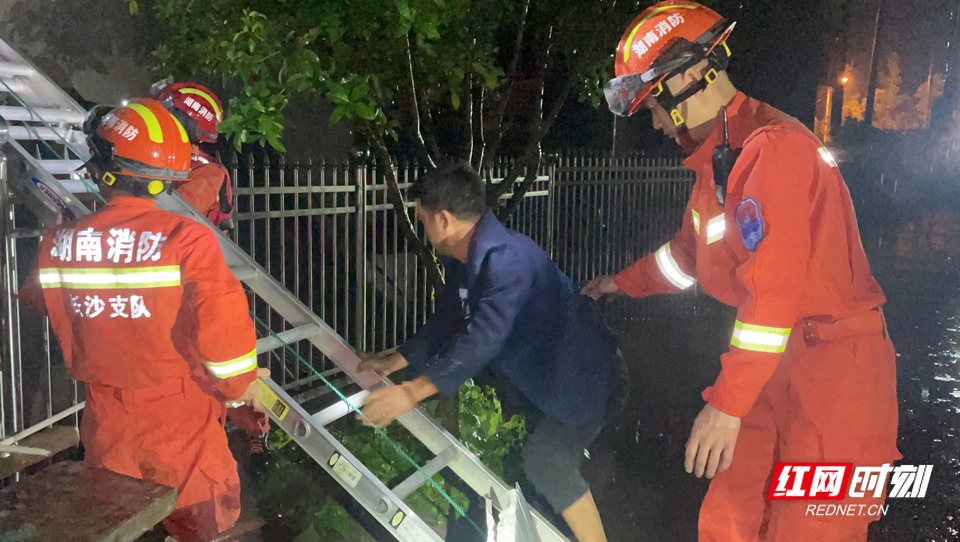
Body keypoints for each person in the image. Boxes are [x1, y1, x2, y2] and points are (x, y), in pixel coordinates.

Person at [582, 2, 899, 540]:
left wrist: (726, 405)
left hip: (833, 379)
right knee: (731, 520)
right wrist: (619, 284)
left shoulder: (770, 151)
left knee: (809, 530)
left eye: (653, 106)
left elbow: (772, 293)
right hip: (774, 365)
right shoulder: (723, 158)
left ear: (683, 80)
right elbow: (689, 255)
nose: (655, 122)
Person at [20, 98, 264, 541]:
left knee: (119, 527)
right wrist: (240, 388)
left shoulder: (58, 243)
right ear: (166, 178)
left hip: (108, 425)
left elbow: (40, 299)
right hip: (183, 426)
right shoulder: (186, 239)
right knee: (203, 529)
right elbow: (224, 341)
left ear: (102, 169)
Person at [359, 161, 627, 542]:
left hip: (587, 380)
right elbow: (451, 317)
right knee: (522, 477)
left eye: (423, 219)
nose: (421, 228)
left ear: (445, 220)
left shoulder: (506, 261)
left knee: (548, 464)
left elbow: (484, 337)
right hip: (547, 384)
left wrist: (412, 391)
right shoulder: (465, 260)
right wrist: (398, 359)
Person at [151, 79, 235, 231]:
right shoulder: (163, 157)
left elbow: (172, 218)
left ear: (183, 126)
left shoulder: (208, 173)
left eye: (163, 117)